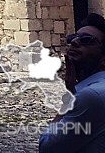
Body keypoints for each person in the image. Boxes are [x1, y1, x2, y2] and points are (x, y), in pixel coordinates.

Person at [39, 12, 105, 152]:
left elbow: (48, 147)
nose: (75, 42)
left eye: (86, 40)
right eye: (73, 38)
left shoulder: (91, 96)